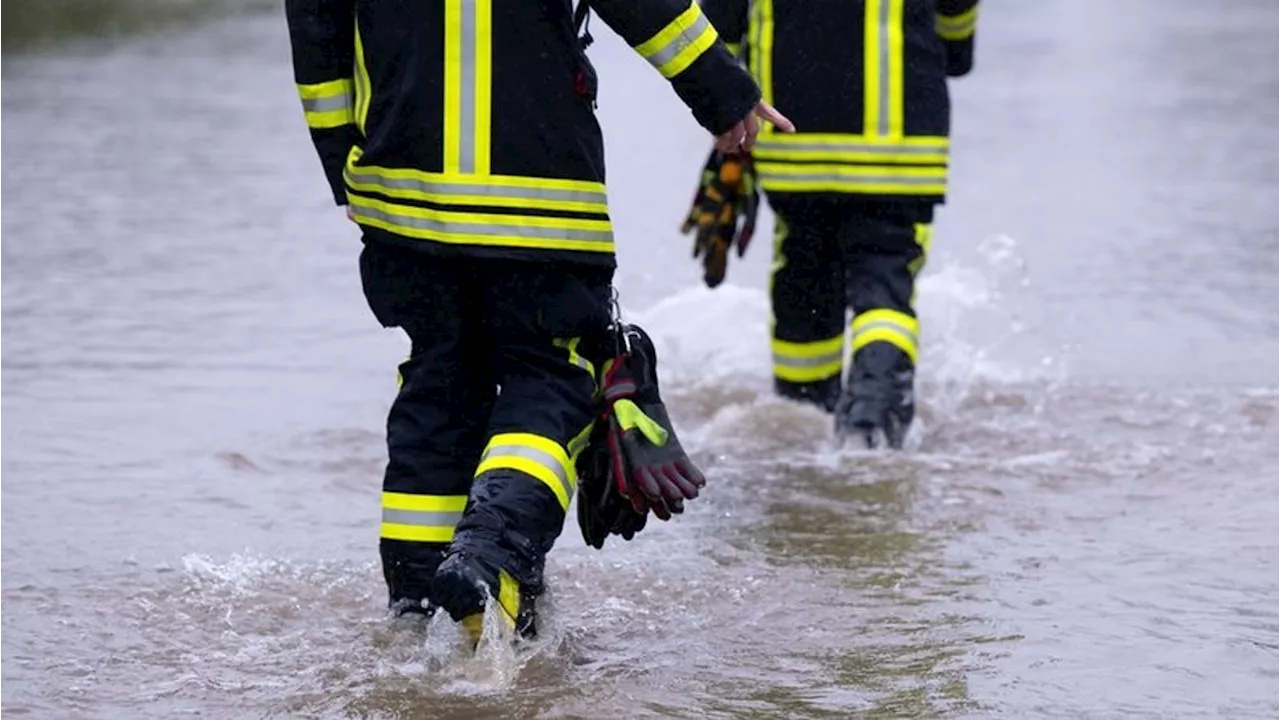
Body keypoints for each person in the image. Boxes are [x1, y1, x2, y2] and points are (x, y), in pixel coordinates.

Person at [283, 0, 793, 637]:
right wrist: (723, 92)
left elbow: (315, 28)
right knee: (555, 382)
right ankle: (489, 560)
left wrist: (343, 164)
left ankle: (415, 607)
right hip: (541, 199)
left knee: (436, 392)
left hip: (400, 197)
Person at [685, 0, 979, 449]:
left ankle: (799, 436)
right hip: (896, 154)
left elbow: (721, 21)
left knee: (803, 279)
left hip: (790, 144)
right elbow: (957, 22)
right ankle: (870, 436)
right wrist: (957, 47)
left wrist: (726, 105)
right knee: (885, 287)